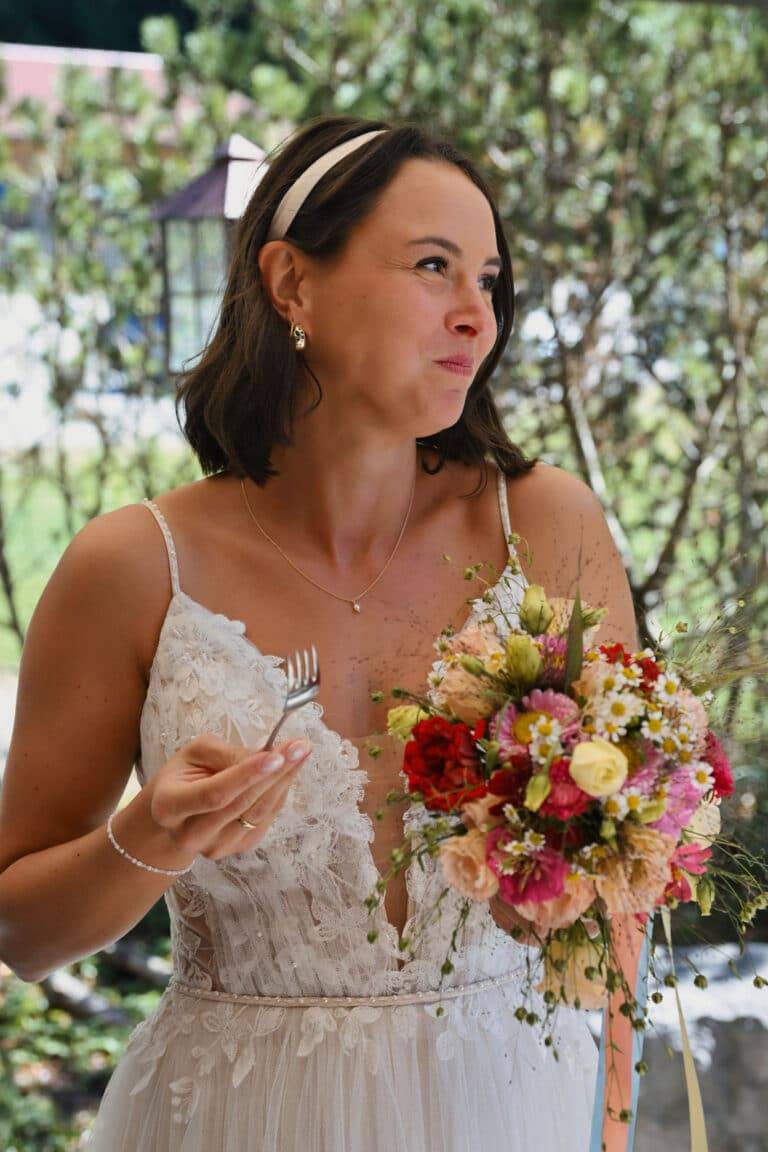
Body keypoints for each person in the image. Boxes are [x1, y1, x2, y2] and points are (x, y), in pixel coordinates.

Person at [0, 115, 644, 1151]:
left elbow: (620, 908)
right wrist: (152, 837)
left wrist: (609, 1124)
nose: (476, 316)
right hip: (232, 1120)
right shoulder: (132, 567)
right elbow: (21, 933)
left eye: (488, 280)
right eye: (433, 266)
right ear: (292, 283)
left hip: (512, 1110)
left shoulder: (544, 525)